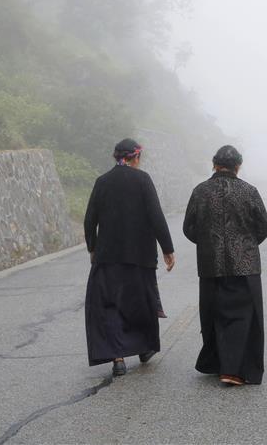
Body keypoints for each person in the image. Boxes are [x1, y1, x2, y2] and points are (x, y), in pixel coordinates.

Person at [84, 138, 176, 377]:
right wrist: (167, 249)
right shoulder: (142, 180)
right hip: (140, 258)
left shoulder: (102, 182)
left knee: (111, 306)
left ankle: (118, 359)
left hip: (108, 258)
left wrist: (93, 248)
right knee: (141, 304)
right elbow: (156, 216)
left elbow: (89, 220)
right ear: (136, 157)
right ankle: (144, 348)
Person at [183, 145, 267, 386]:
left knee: (213, 315)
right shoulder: (249, 191)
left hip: (210, 265)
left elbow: (189, 228)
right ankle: (234, 370)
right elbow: (264, 226)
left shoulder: (200, 191)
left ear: (214, 163)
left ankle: (218, 363)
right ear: (238, 166)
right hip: (245, 265)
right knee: (243, 317)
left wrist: (207, 244)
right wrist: (247, 245)